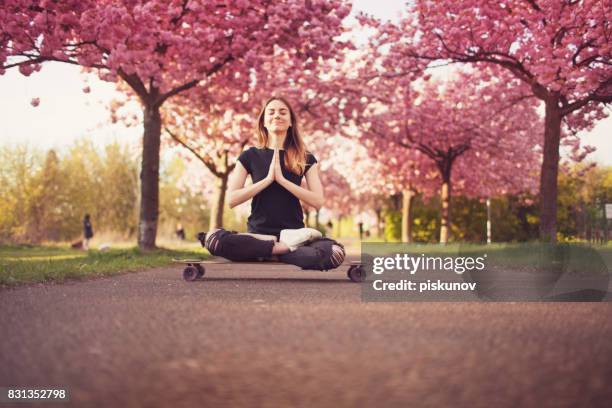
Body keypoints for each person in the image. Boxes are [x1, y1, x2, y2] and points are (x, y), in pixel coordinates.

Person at [198, 96, 345, 271]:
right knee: (214, 239)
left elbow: (318, 201)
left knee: (333, 252)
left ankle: (270, 250)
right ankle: (279, 249)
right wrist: (267, 180)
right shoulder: (250, 155)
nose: (277, 116)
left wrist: (282, 180)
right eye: (272, 112)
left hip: (295, 234)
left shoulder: (305, 158)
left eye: (283, 112)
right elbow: (232, 199)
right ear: (264, 122)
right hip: (258, 236)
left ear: (290, 122)